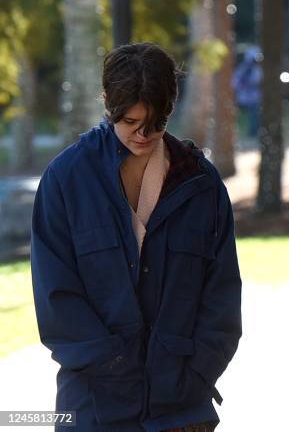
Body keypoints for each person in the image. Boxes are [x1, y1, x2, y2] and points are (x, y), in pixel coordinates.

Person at [31, 43, 242, 431]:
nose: (143, 136)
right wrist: (112, 367)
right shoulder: (66, 180)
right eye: (130, 123)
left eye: (156, 124)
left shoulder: (201, 183)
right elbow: (56, 298)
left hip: (183, 408)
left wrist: (196, 372)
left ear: (171, 107)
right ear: (108, 101)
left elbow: (222, 292)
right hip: (93, 407)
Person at [231, 45, 263, 138]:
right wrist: (245, 85)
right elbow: (235, 82)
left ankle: (255, 131)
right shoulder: (244, 68)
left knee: (256, 114)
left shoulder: (258, 68)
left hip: (256, 95)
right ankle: (252, 132)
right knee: (252, 114)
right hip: (246, 95)